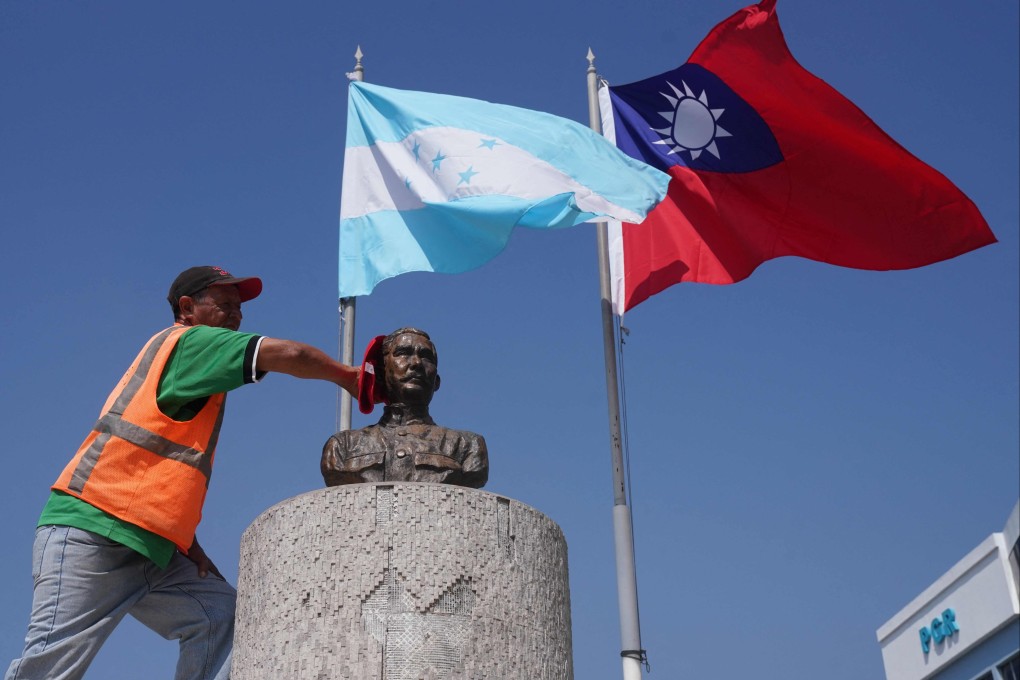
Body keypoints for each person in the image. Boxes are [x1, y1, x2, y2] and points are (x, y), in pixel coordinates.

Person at [5, 265, 361, 680]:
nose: (236, 314)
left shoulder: (193, 364)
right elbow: (291, 355)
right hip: (94, 532)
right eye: (225, 304)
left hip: (151, 548)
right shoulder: (191, 342)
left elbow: (157, 470)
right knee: (48, 669)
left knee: (223, 617)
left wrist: (187, 542)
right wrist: (350, 378)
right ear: (188, 308)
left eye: (240, 307)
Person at [321, 327, 488, 488]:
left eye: (426, 357)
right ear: (381, 375)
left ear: (436, 382)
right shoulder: (343, 446)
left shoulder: (467, 446)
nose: (416, 363)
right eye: (403, 353)